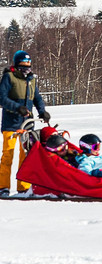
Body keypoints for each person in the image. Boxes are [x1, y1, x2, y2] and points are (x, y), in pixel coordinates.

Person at [1, 50, 50, 194]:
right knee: (7, 155)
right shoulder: (8, 77)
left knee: (26, 156)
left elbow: (37, 98)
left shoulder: (32, 80)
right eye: (22, 65)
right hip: (11, 123)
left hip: (27, 124)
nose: (25, 69)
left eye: (28, 65)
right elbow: (2, 98)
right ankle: (3, 187)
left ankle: (23, 188)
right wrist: (18, 108)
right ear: (16, 65)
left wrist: (42, 111)